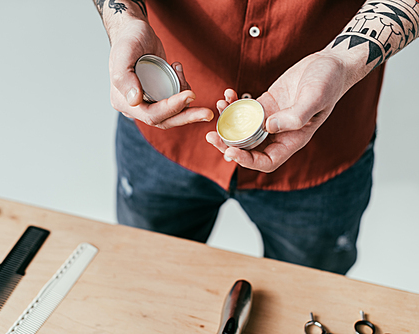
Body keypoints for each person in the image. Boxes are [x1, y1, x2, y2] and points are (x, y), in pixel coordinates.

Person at [94, 0, 419, 274]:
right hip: (165, 135)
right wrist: (125, 22)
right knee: (146, 281)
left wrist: (342, 60)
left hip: (321, 150)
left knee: (304, 304)